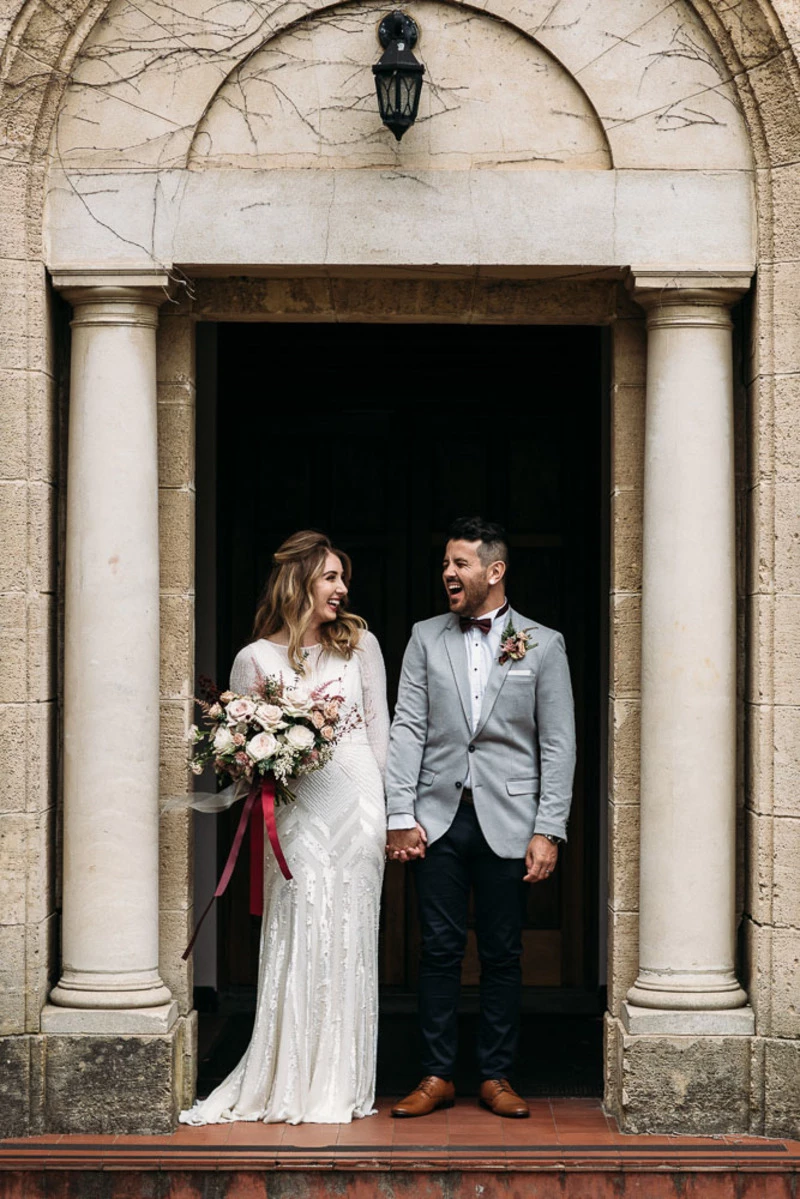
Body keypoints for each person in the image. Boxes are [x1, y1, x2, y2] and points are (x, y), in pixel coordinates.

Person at [180, 530, 389, 1126]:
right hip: (296, 812)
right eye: (330, 577)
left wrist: (386, 813)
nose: (342, 588)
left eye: (342, 577)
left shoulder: (361, 645)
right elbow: (240, 756)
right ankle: (292, 1078)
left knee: (350, 936)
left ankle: (343, 1080)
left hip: (358, 802)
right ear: (298, 582)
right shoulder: (254, 660)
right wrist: (261, 757)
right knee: (301, 927)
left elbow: (380, 733)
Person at [384, 517, 576, 1119]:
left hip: (511, 820)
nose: (448, 573)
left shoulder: (543, 643)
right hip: (437, 818)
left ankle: (496, 1074)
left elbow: (558, 745)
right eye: (445, 563)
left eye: (460, 563)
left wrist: (549, 828)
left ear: (494, 572)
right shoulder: (424, 637)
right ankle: (437, 1074)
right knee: (437, 949)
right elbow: (408, 726)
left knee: (502, 951)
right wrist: (399, 813)